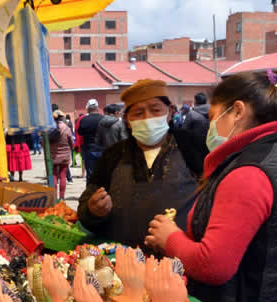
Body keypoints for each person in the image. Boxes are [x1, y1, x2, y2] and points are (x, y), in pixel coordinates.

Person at [145, 70, 277, 302]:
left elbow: (214, 264)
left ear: (238, 111)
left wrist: (171, 238)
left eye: (213, 116)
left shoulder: (250, 171)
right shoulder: (270, 154)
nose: (210, 126)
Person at [77, 79, 203, 252]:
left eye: (155, 110)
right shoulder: (113, 156)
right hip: (123, 263)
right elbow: (85, 208)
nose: (147, 118)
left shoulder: (194, 148)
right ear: (127, 119)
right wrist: (93, 211)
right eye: (138, 113)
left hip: (181, 263)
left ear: (170, 112)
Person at [77, 99, 104, 178]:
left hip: (89, 150)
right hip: (102, 149)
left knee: (90, 174)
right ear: (97, 108)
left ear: (88, 108)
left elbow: (80, 132)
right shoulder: (103, 119)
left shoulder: (84, 119)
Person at [50, 110, 74, 201]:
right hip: (64, 156)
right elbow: (71, 142)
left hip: (53, 156)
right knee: (63, 175)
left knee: (54, 175)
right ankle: (62, 197)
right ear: (62, 118)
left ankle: (54, 196)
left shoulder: (50, 128)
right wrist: (70, 148)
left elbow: (44, 143)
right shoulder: (66, 128)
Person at [74, 113, 86, 178]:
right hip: (90, 142)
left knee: (83, 159)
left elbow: (77, 132)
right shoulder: (86, 119)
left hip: (82, 143)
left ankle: (83, 173)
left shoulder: (79, 120)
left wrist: (77, 143)